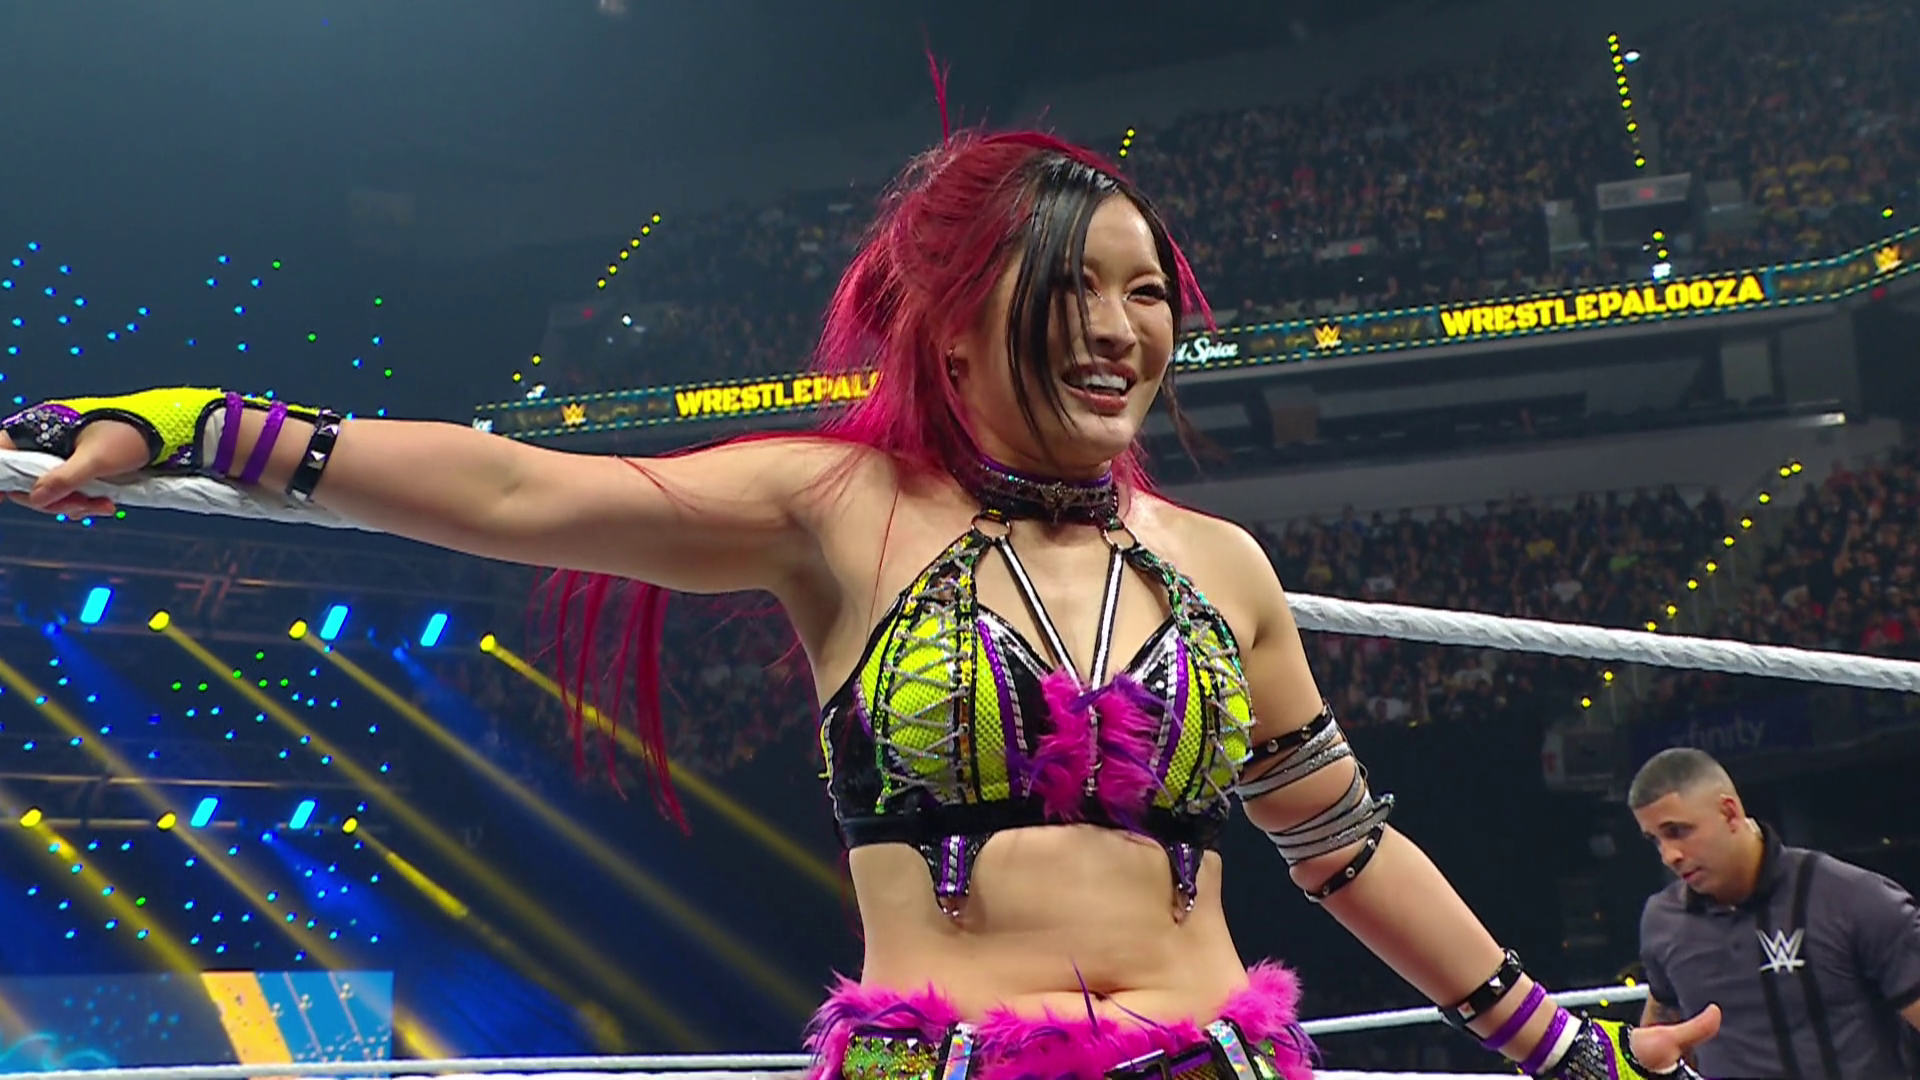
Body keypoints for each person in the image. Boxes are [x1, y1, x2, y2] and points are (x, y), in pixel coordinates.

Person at [2, 128, 1719, 1080]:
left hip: (1216, 1060)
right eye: (1076, 287)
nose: (1123, 327)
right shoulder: (839, 509)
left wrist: (1567, 1053)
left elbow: (1342, 851)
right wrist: (196, 424)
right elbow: (515, 491)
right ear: (958, 325)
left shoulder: (1218, 566)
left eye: (1149, 292)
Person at [1631, 747, 1920, 1079]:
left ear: (1729, 813)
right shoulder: (1664, 921)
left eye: (1677, 831)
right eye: (1655, 840)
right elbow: (1661, 1046)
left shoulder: (1851, 898)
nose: (1669, 855)